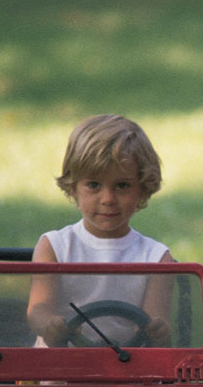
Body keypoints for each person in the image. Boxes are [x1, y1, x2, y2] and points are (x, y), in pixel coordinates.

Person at [28, 114, 175, 347]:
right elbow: (38, 309)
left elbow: (156, 325)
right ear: (73, 187)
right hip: (59, 366)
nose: (108, 199)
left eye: (122, 186)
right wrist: (49, 324)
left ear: (143, 189)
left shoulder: (157, 258)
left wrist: (158, 331)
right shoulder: (54, 246)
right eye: (94, 185)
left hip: (126, 367)